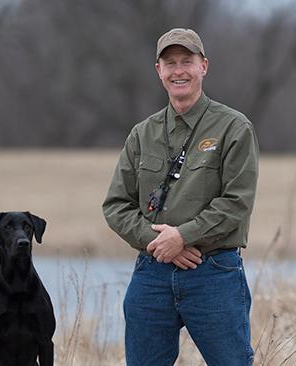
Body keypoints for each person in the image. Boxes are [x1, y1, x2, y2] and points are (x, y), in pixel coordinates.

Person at [102, 28, 258, 366]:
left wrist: (183, 236)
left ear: (204, 66)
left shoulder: (234, 127)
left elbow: (237, 202)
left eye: (186, 61)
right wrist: (159, 243)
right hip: (152, 273)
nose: (179, 71)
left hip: (214, 272)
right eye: (169, 63)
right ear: (158, 71)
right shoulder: (142, 133)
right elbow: (116, 205)